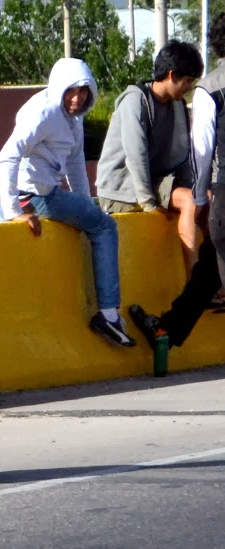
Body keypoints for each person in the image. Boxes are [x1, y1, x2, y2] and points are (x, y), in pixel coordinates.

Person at [0, 58, 135, 347]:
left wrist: (86, 207)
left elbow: (74, 162)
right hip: (33, 195)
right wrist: (12, 213)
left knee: (96, 220)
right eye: (71, 91)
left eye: (84, 91)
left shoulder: (74, 117)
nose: (77, 98)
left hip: (41, 192)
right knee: (106, 227)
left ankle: (108, 314)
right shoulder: (44, 113)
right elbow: (7, 157)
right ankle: (109, 315)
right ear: (59, 89)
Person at [131, 13, 225, 351]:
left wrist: (199, 198)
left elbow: (201, 151)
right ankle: (166, 330)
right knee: (207, 274)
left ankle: (166, 330)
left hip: (224, 195)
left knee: (210, 270)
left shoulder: (211, 88)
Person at [96, 40, 205, 281]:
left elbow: (182, 152)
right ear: (171, 75)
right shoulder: (135, 101)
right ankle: (194, 286)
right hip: (122, 190)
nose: (190, 88)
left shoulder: (176, 105)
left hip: (155, 181)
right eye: (188, 81)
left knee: (204, 201)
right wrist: (148, 203)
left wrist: (194, 186)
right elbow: (136, 155)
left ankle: (215, 285)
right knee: (190, 202)